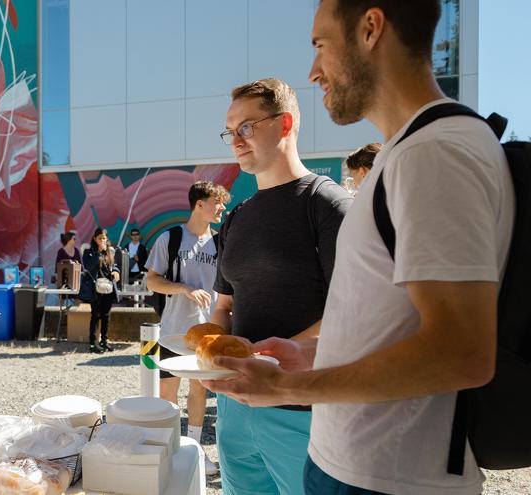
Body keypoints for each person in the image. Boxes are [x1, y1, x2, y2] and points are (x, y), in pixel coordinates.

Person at [203, 2, 514, 495]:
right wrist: (308, 353)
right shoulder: (404, 152)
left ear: (371, 28)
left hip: (388, 476)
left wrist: (285, 387)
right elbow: (387, 325)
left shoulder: (436, 152)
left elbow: (462, 353)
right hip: (352, 463)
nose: (312, 71)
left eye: (321, 45)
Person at [209, 78, 352, 495]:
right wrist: (209, 354)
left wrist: (269, 361)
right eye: (229, 131)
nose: (235, 140)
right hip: (234, 407)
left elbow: (352, 314)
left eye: (247, 127)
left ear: (285, 123)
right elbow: (223, 307)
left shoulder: (327, 204)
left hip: (303, 409)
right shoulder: (237, 217)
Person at [145, 180, 230, 477]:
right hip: (172, 328)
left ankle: (194, 448)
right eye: (217, 201)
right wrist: (183, 288)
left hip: (208, 332)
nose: (222, 207)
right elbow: (151, 280)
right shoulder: (170, 238)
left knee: (200, 389)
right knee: (166, 390)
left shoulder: (221, 241)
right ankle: (172, 446)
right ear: (199, 204)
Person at [80, 228, 120, 354]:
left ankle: (104, 341)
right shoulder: (89, 252)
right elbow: (88, 266)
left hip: (108, 287)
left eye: (104, 238)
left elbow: (115, 266)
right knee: (95, 315)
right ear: (94, 239)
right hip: (95, 288)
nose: (102, 241)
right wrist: (98, 253)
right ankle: (92, 343)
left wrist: (116, 272)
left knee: (106, 315)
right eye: (100, 238)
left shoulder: (110, 252)